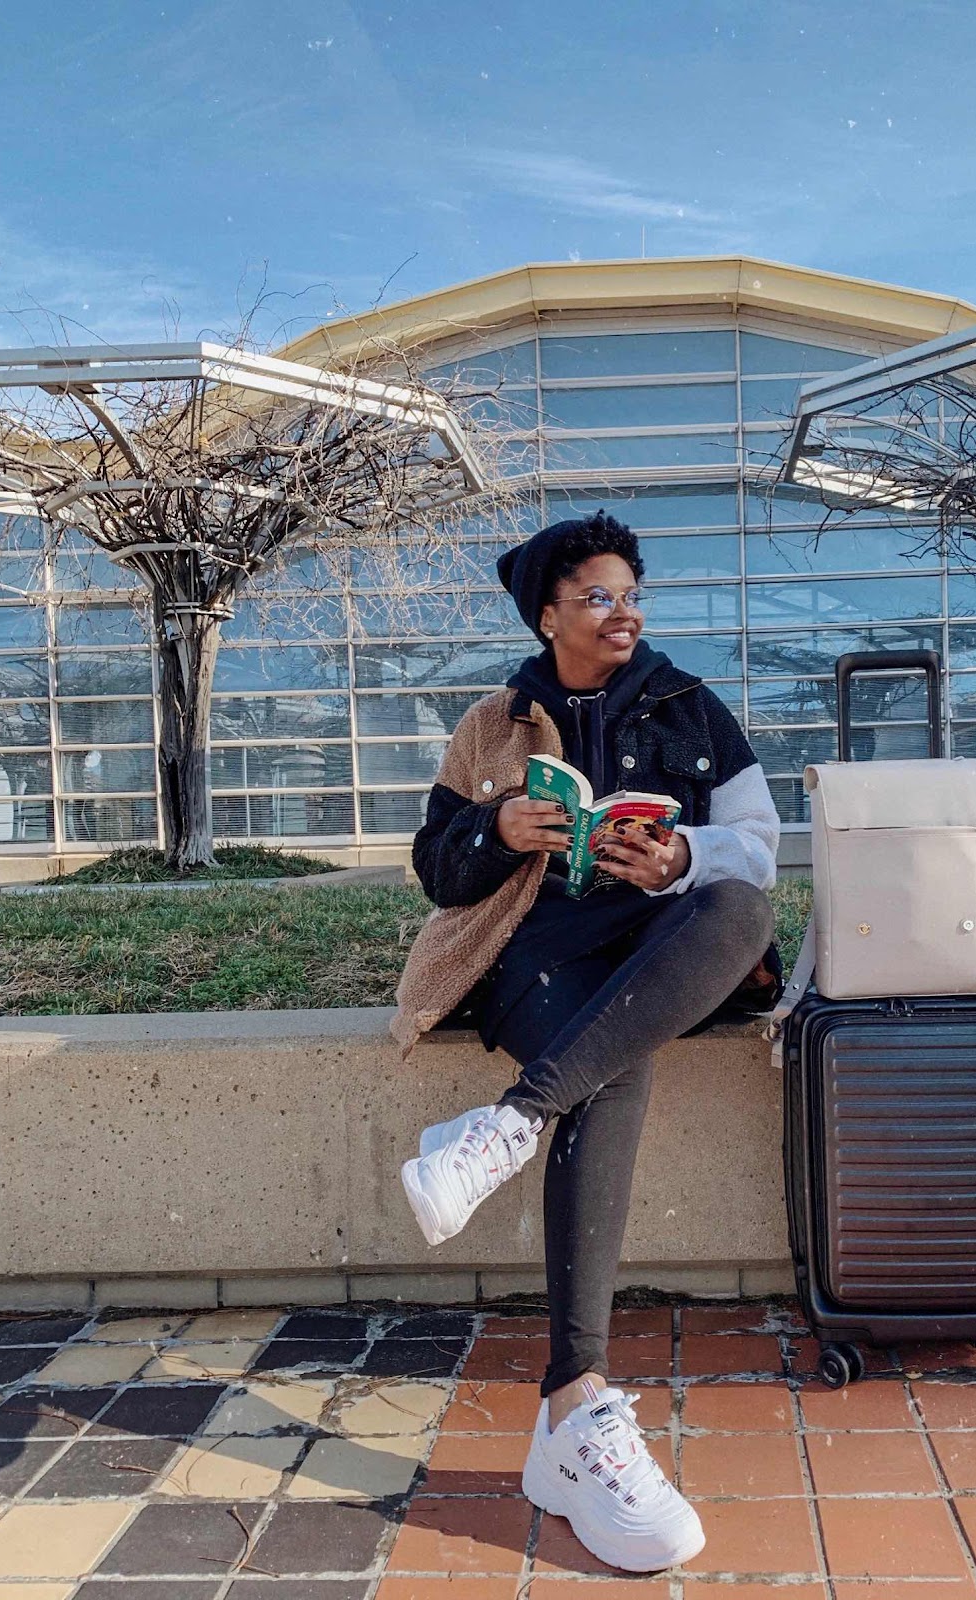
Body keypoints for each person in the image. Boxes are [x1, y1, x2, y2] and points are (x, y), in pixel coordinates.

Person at [390, 509, 781, 1573]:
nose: (624, 613)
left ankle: (509, 1125)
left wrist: (681, 858)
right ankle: (575, 1406)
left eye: (630, 594)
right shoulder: (491, 724)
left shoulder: (691, 705)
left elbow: (759, 847)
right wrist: (496, 829)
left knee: (741, 910)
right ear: (549, 614)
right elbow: (435, 869)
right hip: (530, 955)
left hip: (652, 939)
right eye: (599, 596)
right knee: (611, 1059)